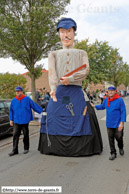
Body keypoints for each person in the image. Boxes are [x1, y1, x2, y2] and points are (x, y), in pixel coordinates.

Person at [38, 18, 103, 156]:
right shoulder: (53, 54)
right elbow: (52, 73)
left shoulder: (82, 53)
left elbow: (85, 70)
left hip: (76, 91)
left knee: (84, 115)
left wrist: (71, 79)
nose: (66, 35)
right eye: (62, 32)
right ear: (59, 34)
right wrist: (53, 88)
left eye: (69, 31)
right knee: (53, 115)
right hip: (59, 92)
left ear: (74, 33)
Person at [91, 86, 126, 160]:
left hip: (118, 123)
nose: (110, 92)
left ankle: (121, 147)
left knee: (119, 137)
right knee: (110, 139)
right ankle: (113, 153)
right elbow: (102, 106)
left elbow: (123, 112)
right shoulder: (106, 99)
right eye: (109, 91)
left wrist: (122, 123)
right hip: (109, 123)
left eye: (112, 91)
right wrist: (94, 106)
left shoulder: (120, 100)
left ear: (115, 91)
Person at [9, 86, 43, 156]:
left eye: (19, 91)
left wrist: (42, 111)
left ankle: (26, 148)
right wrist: (10, 119)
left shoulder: (27, 99)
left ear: (21, 92)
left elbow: (34, 105)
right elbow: (11, 111)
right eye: (16, 91)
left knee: (25, 134)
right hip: (16, 120)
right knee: (15, 135)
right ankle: (15, 150)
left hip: (25, 120)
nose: (17, 93)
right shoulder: (13, 100)